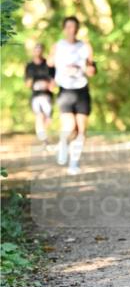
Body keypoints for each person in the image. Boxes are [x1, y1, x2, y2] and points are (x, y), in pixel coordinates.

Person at [48, 16, 96, 175]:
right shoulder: (58, 46)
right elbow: (49, 65)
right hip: (65, 89)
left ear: (77, 29)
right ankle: (62, 143)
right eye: (68, 26)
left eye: (74, 27)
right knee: (69, 126)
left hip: (81, 89)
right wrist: (51, 80)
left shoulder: (85, 46)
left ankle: (73, 164)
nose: (71, 30)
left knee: (81, 130)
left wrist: (90, 69)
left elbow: (92, 68)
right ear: (64, 28)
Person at [24, 42, 55, 145]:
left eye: (40, 49)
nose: (38, 51)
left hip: (47, 96)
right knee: (39, 115)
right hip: (36, 95)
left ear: (42, 50)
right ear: (33, 51)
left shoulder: (48, 64)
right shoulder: (29, 66)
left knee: (47, 117)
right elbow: (27, 83)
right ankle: (43, 138)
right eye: (36, 49)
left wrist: (49, 85)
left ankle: (44, 134)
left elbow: (53, 81)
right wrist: (33, 82)